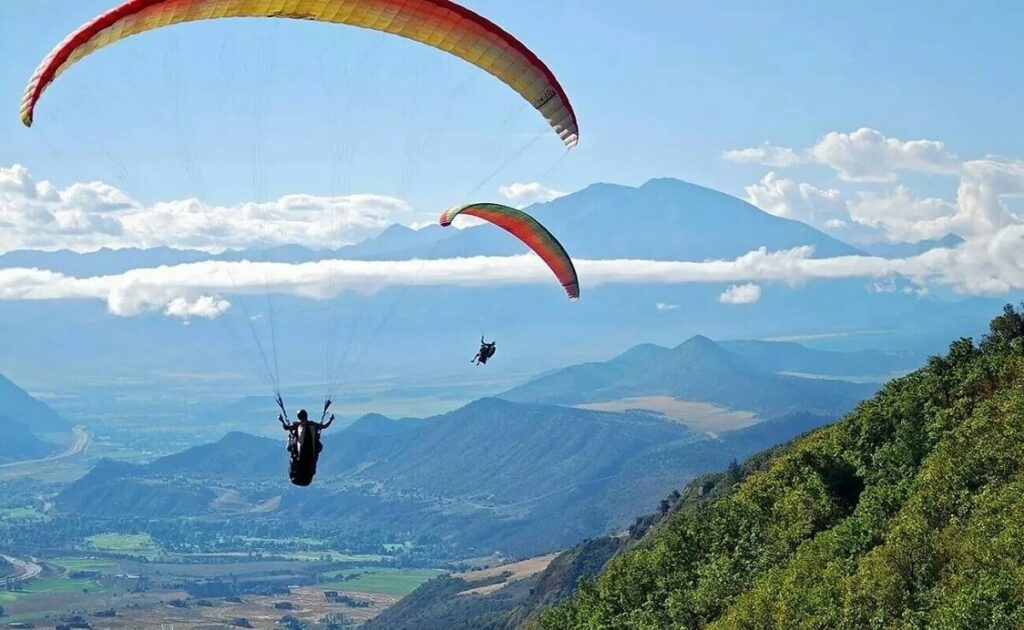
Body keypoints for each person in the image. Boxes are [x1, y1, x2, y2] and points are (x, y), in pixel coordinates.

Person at [279, 408, 334, 486]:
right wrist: (330, 419)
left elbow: (286, 428)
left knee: (288, 447)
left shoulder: (296, 425)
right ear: (306, 416)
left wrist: (281, 420)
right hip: (311, 456)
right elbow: (324, 426)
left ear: (298, 417)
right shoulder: (314, 425)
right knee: (319, 447)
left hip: (300, 457)